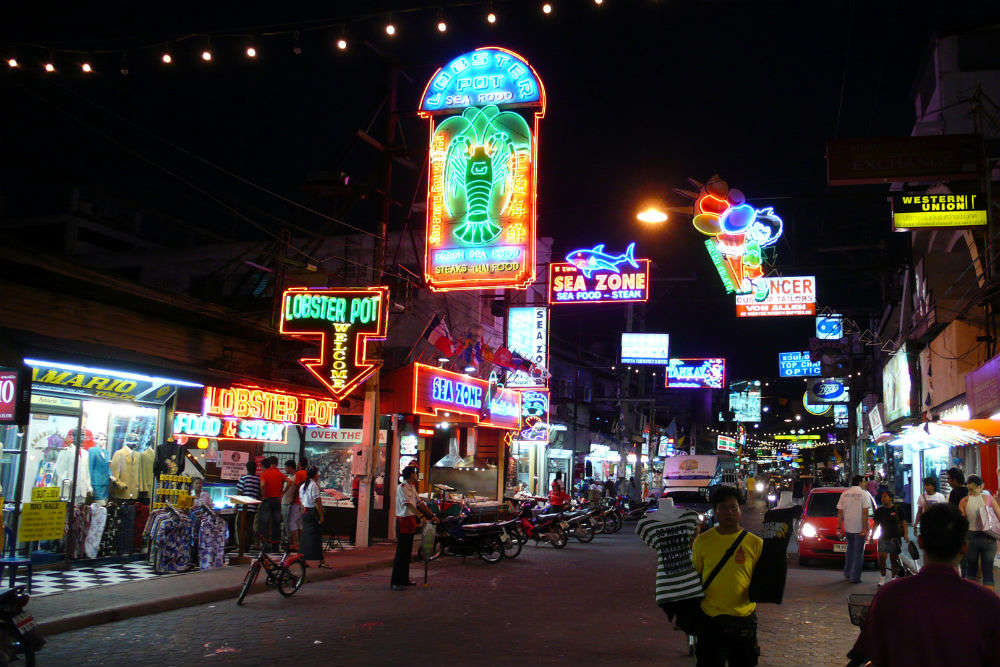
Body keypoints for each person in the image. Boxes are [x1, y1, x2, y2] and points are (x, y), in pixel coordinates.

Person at [849, 504, 1000, 666]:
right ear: (964, 547)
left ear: (920, 542)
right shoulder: (986, 602)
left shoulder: (890, 596)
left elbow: (864, 651)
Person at [692, 486, 763, 667]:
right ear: (715, 512)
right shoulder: (702, 541)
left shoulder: (755, 543)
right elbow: (695, 577)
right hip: (711, 620)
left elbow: (762, 581)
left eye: (734, 507)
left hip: (744, 621)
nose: (729, 512)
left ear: (740, 510)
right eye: (723, 508)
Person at [391, 466, 436, 591]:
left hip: (411, 521)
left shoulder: (412, 487)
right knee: (401, 553)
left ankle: (404, 579)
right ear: (411, 475)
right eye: (415, 473)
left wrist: (431, 515)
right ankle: (395, 581)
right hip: (403, 521)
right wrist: (421, 516)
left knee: (407, 553)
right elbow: (408, 504)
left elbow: (419, 502)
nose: (417, 476)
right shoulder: (402, 487)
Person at [958, 475, 1000, 588]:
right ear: (981, 486)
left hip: (971, 538)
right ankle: (988, 603)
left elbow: (961, 522)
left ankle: (971, 600)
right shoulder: (988, 498)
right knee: (988, 573)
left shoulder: (964, 501)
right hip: (989, 537)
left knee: (971, 571)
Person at [837, 475, 873, 584]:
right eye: (864, 481)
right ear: (860, 482)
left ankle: (847, 572)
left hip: (848, 528)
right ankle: (855, 577)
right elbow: (865, 512)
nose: (865, 483)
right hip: (859, 529)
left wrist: (839, 527)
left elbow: (840, 512)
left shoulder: (845, 493)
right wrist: (864, 528)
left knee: (850, 551)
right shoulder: (864, 494)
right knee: (858, 553)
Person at [873, 491, 907, 586]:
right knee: (882, 558)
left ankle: (893, 578)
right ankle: (883, 576)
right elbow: (876, 524)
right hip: (883, 537)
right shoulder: (879, 511)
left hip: (895, 538)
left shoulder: (897, 509)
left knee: (893, 559)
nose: (883, 499)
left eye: (885, 497)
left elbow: (903, 523)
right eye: (882, 497)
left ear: (891, 498)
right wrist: (872, 536)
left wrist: (906, 534)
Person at [298, 466, 327, 568]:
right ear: (315, 475)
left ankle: (303, 559)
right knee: (316, 537)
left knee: (306, 537)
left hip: (305, 512)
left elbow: (301, 502)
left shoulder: (303, 486)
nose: (318, 475)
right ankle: (321, 561)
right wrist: (321, 515)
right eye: (318, 473)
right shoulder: (313, 485)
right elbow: (317, 501)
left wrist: (302, 513)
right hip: (312, 513)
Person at [258, 457, 286, 547]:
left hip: (267, 500)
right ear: (277, 463)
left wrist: (263, 495)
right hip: (277, 500)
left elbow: (262, 485)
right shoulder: (280, 474)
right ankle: (275, 545)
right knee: (276, 522)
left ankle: (265, 544)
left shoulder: (265, 474)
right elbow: (289, 482)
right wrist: (282, 492)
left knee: (264, 522)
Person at [235, 460, 261, 549]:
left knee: (240, 526)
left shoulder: (244, 479)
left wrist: (236, 505)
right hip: (253, 508)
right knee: (249, 527)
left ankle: (241, 546)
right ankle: (248, 545)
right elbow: (259, 494)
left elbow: (239, 493)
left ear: (247, 469)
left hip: (243, 508)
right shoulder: (258, 479)